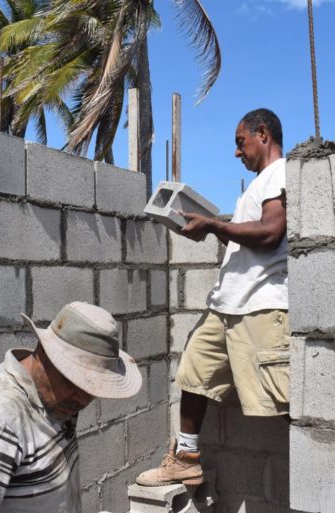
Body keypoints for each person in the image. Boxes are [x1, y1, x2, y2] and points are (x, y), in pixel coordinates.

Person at [137, 108, 289, 487]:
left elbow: (270, 233)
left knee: (282, 398)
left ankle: (328, 456)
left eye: (241, 143)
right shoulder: (257, 186)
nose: (238, 153)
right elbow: (248, 239)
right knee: (193, 372)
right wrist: (210, 230)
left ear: (263, 134)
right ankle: (186, 457)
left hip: (260, 305)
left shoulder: (280, 173)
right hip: (226, 307)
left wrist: (216, 224)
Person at [0, 302, 142, 513]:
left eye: (93, 385)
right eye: (73, 380)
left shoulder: (53, 403)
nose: (83, 399)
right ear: (44, 353)